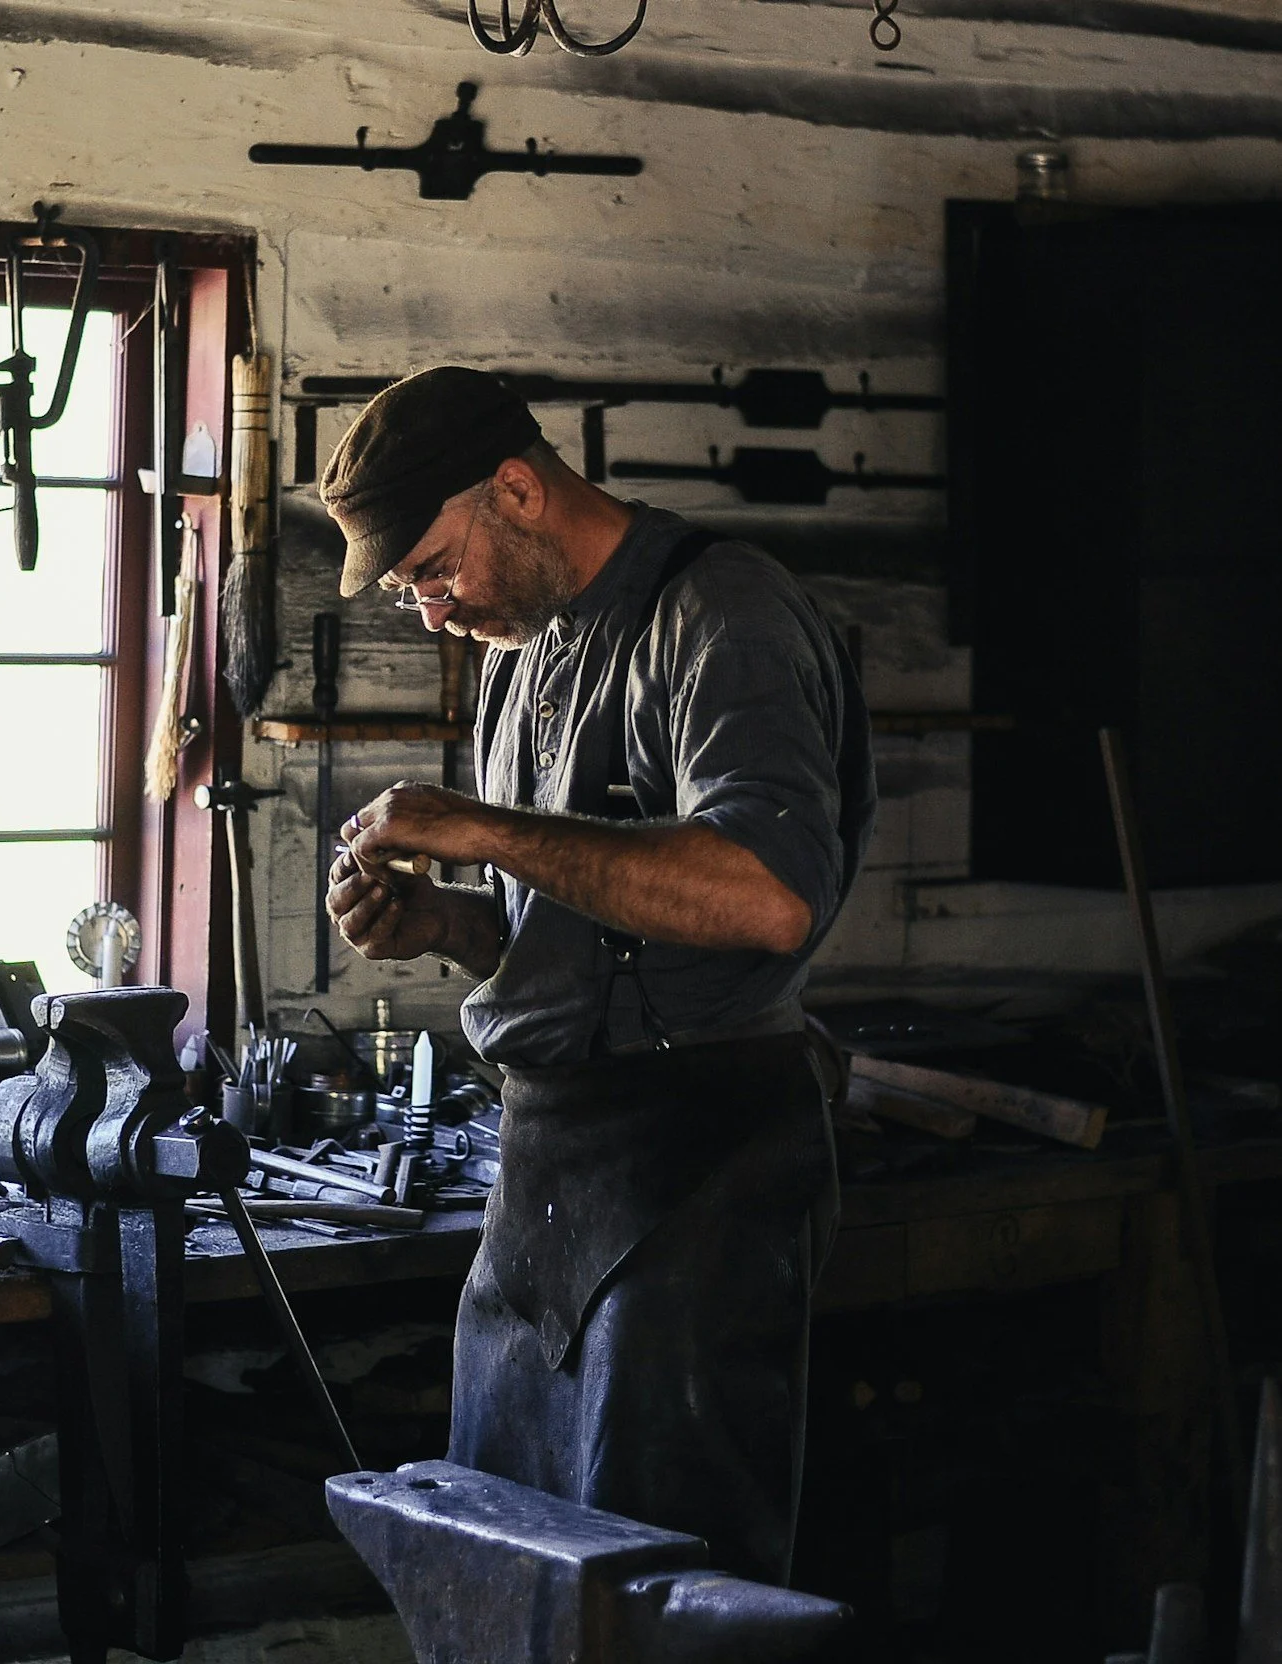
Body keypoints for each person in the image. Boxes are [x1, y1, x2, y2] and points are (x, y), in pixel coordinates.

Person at [318, 366, 875, 1584]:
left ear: (515, 488)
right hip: (550, 1169)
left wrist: (489, 827)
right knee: (506, 1563)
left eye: (430, 569)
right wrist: (445, 921)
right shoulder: (523, 656)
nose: (427, 612)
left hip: (699, 1163)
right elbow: (574, 928)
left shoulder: (718, 611)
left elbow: (766, 895)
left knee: (655, 1590)